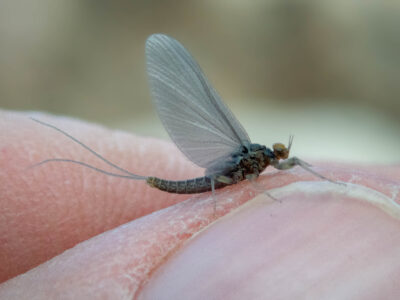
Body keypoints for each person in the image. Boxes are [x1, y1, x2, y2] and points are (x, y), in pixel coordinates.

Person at [1, 111, 399, 299]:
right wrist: (241, 200)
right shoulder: (252, 161)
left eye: (281, 153)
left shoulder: (268, 162)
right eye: (279, 153)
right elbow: (232, 183)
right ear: (271, 155)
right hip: (204, 183)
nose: (282, 157)